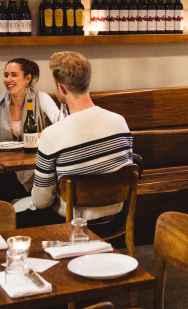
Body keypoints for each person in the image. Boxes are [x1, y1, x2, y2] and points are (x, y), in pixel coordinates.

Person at [31, 51, 133, 223]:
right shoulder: (120, 122)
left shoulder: (52, 135)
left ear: (62, 88)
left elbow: (41, 201)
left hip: (72, 226)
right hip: (116, 219)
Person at [0, 58, 64, 146]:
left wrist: (41, 135)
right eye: (6, 75)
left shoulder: (41, 98)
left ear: (27, 78)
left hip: (35, 153)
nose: (8, 79)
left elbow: (63, 124)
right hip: (4, 154)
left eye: (14, 75)